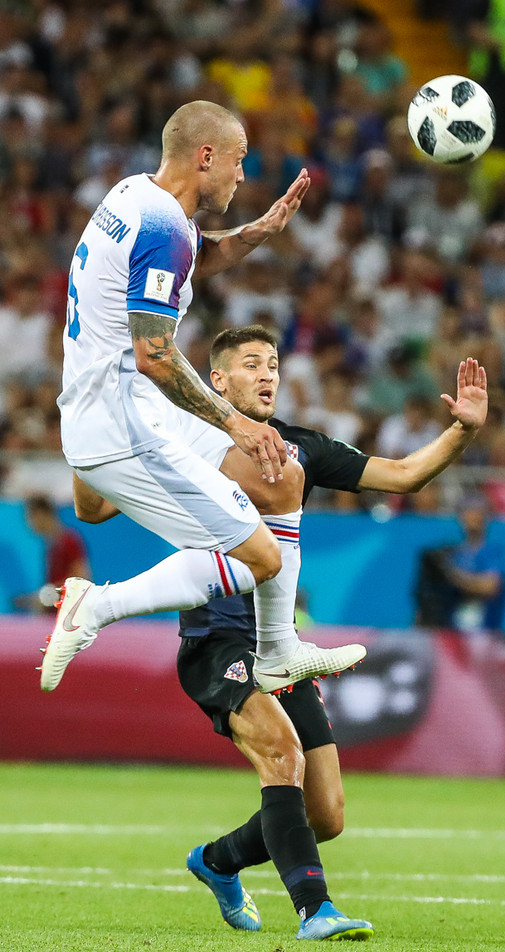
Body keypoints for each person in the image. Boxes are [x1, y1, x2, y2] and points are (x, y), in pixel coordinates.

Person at [76, 325, 488, 941]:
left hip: (280, 648)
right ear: (217, 380)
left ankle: (217, 861)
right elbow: (91, 508)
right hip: (216, 639)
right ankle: (315, 910)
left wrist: (463, 430)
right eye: (251, 364)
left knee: (327, 814)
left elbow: (404, 475)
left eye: (272, 363)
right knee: (281, 754)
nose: (268, 374)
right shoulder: (178, 440)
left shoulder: (300, 449)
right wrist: (93, 432)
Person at [43, 100, 364, 696]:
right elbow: (155, 354)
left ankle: (278, 652)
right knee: (259, 559)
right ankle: (95, 606)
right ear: (206, 156)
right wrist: (236, 424)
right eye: (238, 160)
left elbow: (195, 256)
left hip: (125, 404)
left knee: (281, 475)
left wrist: (258, 232)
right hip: (124, 422)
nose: (243, 174)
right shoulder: (162, 229)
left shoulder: (134, 196)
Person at [414, 495, 505, 632]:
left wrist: (451, 574)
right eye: (468, 512)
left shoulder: (492, 551)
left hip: (484, 630)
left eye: (478, 512)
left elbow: (490, 586)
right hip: (452, 630)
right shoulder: (453, 551)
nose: (473, 516)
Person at [14, 493, 91, 613]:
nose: (28, 523)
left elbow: (82, 579)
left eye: (30, 517)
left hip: (69, 616)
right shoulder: (51, 545)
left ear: (41, 514)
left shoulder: (69, 541)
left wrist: (47, 596)